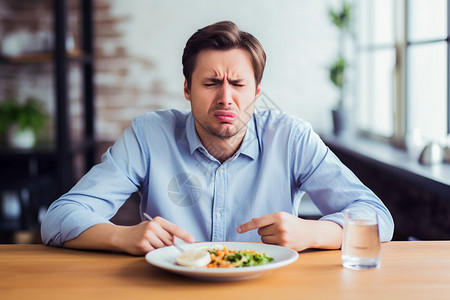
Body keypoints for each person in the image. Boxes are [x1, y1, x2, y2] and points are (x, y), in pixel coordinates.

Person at [41, 21, 394, 255]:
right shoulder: (149, 135)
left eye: (238, 84)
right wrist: (123, 235)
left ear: (256, 92)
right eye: (211, 83)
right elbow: (59, 217)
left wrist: (313, 233)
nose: (226, 97)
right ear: (187, 89)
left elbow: (377, 216)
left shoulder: (291, 137)